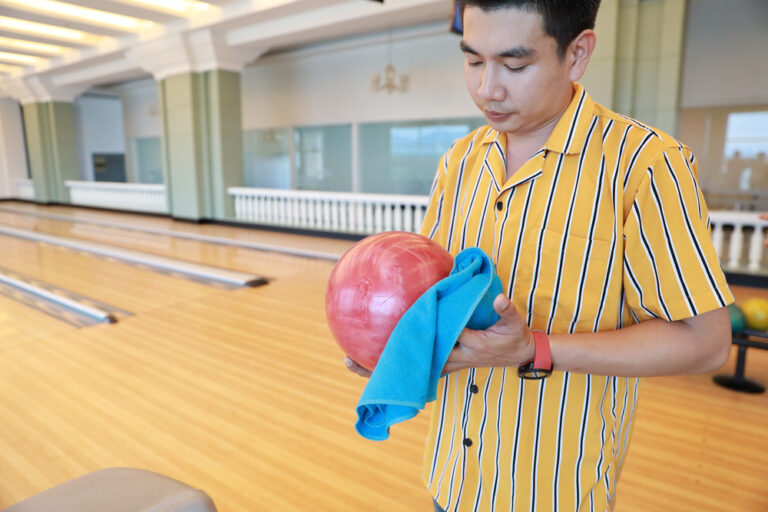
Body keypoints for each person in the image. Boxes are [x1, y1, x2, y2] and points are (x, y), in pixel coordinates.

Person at [345, 1, 733, 510]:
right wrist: (395, 344)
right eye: (474, 60)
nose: (488, 89)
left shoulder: (645, 165)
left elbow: (705, 344)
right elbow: (438, 298)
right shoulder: (460, 160)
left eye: (515, 64)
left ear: (577, 53)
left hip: (552, 489)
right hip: (451, 477)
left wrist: (534, 348)